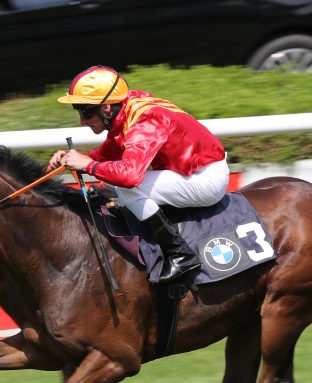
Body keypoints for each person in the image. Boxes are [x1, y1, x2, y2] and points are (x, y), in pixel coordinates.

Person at [50, 65, 230, 283]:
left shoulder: (146, 119)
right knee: (114, 182)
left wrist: (87, 165)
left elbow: (130, 177)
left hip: (205, 179)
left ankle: (180, 254)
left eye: (85, 112)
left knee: (127, 188)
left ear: (106, 108)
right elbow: (105, 155)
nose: (82, 121)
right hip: (188, 172)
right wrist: (74, 159)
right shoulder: (125, 108)